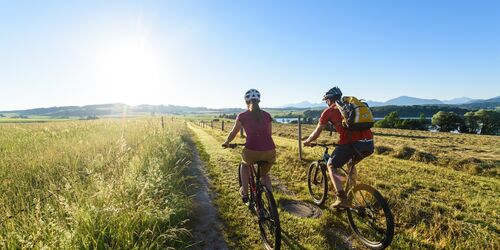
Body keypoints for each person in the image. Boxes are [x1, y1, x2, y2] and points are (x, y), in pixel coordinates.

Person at [303, 86, 374, 208]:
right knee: (350, 164)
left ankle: (342, 198)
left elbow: (317, 132)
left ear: (329, 100)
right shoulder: (350, 108)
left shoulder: (329, 111)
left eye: (326, 101)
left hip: (350, 143)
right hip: (368, 143)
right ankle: (350, 196)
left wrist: (307, 141)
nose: (326, 103)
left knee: (331, 165)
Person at [222, 89, 276, 203]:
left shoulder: (242, 116)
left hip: (251, 150)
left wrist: (226, 142)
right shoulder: (267, 115)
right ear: (259, 100)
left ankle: (245, 192)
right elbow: (269, 134)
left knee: (244, 165)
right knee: (264, 174)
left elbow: (233, 133)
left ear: (246, 101)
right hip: (270, 151)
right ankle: (271, 200)